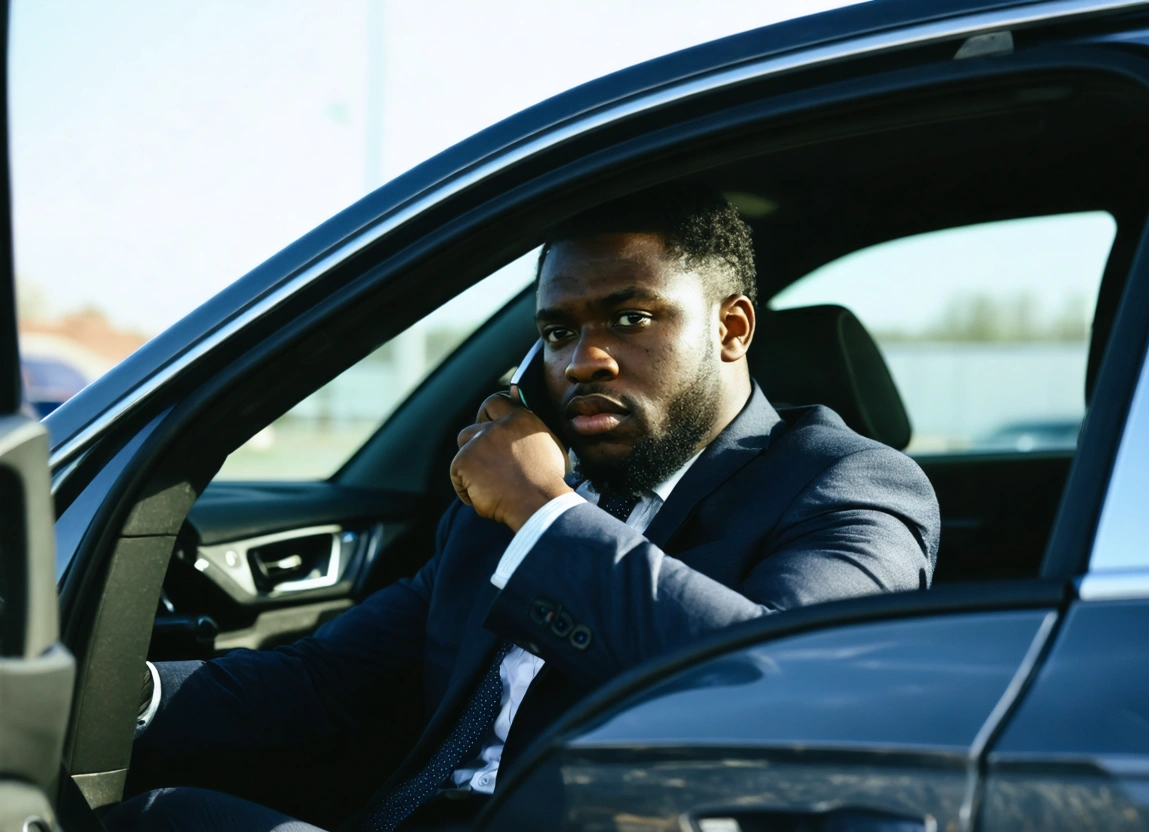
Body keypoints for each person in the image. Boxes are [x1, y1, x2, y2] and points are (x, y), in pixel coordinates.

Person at [108, 185, 940, 832]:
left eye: (631, 317)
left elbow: (781, 691)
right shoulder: (513, 503)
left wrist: (543, 514)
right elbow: (324, 683)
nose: (585, 360)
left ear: (731, 327)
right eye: (557, 332)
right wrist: (110, 697)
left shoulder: (847, 484)